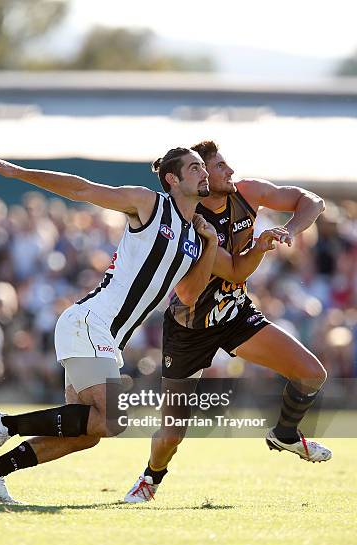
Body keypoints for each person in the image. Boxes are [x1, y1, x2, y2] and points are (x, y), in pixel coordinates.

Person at [0, 149, 285, 504]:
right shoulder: (149, 203)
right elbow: (83, 190)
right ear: (172, 180)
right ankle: (5, 425)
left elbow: (191, 294)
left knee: (86, 432)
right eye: (194, 168)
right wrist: (19, 173)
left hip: (102, 334)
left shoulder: (196, 238)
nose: (203, 173)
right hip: (89, 322)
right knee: (113, 420)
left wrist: (211, 243)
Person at [124, 140, 332, 503]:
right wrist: (261, 246)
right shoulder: (191, 223)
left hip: (234, 314)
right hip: (190, 328)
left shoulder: (247, 192)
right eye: (218, 166)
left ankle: (284, 434)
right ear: (201, 176)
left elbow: (312, 201)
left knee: (312, 373)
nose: (229, 171)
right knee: (172, 434)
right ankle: (151, 478)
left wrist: (289, 231)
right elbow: (236, 268)